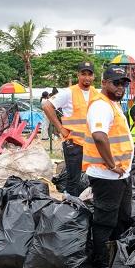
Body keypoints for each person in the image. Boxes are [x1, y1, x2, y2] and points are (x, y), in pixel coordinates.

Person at [82, 66, 134, 267]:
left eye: (123, 84)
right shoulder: (101, 106)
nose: (120, 87)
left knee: (121, 219)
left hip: (119, 176)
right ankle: (102, 263)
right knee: (105, 221)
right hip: (107, 176)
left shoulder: (112, 104)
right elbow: (99, 136)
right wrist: (112, 165)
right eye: (116, 83)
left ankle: (115, 260)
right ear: (104, 83)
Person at [42, 61, 98, 197]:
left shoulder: (95, 93)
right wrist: (60, 128)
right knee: (74, 180)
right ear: (78, 75)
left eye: (89, 74)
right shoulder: (69, 92)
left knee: (94, 178)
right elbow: (47, 105)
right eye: (83, 74)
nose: (86, 77)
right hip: (74, 144)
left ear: (93, 76)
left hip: (91, 145)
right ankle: (70, 207)